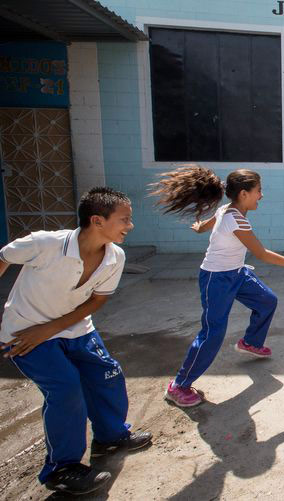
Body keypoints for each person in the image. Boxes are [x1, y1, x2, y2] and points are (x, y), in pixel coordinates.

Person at [0, 188, 152, 495]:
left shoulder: (115, 256)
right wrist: (38, 330)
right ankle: (61, 469)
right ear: (97, 220)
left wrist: (52, 328)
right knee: (66, 387)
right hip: (25, 334)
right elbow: (3, 257)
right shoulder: (45, 244)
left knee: (107, 374)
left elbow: (96, 301)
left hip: (76, 329)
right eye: (125, 219)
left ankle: (110, 438)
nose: (130, 225)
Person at [150, 166, 284, 407]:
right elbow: (261, 253)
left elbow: (208, 224)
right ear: (244, 194)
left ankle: (250, 343)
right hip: (216, 279)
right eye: (259, 190)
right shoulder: (236, 219)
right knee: (212, 333)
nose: (262, 195)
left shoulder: (225, 210)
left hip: (236, 274)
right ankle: (179, 386)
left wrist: (199, 228)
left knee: (267, 301)